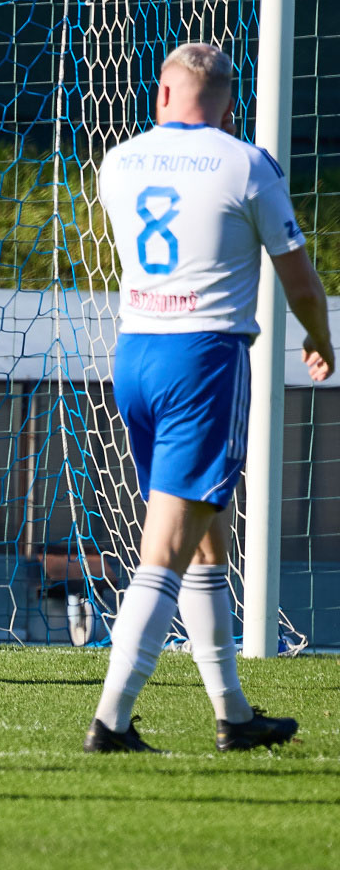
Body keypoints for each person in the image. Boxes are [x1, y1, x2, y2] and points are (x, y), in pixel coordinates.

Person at [85, 41, 333, 754]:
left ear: (163, 94)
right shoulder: (246, 164)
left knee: (205, 538)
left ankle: (234, 714)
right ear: (229, 104)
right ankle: (111, 722)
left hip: (136, 355)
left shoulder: (119, 161)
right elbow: (299, 280)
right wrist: (319, 337)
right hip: (204, 359)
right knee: (166, 545)